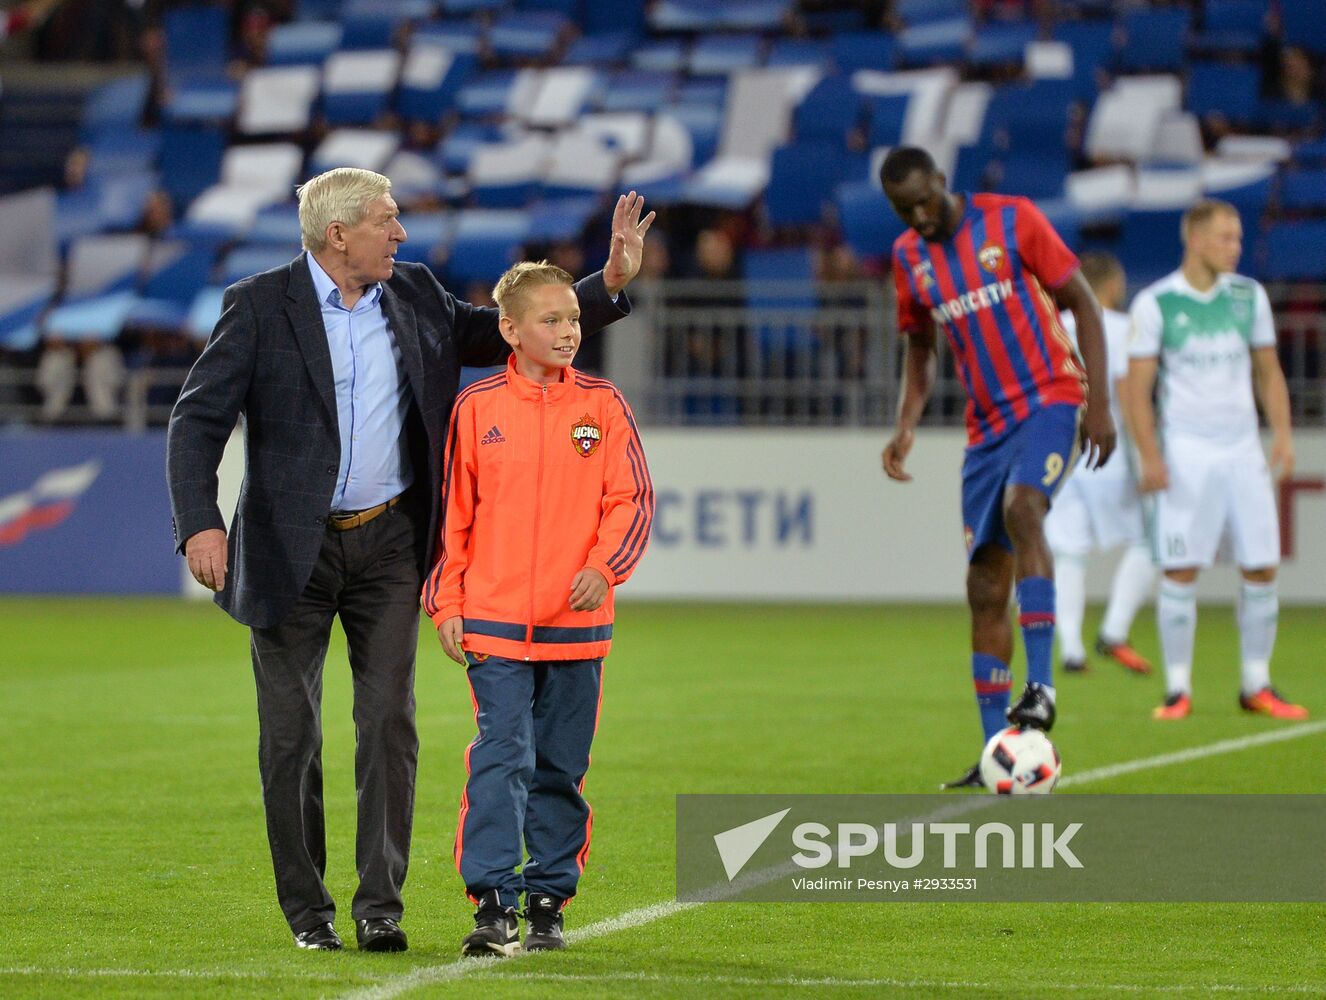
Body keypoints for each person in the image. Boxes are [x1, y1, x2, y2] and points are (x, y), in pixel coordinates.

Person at [166, 167, 652, 952]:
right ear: (339, 235)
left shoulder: (416, 292)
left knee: (389, 723)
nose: (400, 235)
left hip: (391, 543)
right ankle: (309, 913)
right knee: (292, 738)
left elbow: (504, 323)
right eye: (386, 222)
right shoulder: (258, 306)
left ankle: (379, 907)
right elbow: (197, 422)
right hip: (290, 549)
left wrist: (609, 283)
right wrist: (200, 524)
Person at [422, 261, 654, 957]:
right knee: (503, 754)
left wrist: (601, 566)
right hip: (492, 621)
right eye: (551, 320)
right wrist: (447, 601)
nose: (567, 331)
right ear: (510, 330)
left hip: (577, 624)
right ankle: (492, 902)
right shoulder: (476, 408)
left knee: (559, 765)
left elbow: (632, 501)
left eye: (574, 319)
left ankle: (548, 899)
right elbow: (452, 519)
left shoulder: (604, 406)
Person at [877, 146, 1116, 789]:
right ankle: (997, 753)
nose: (921, 216)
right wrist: (906, 424)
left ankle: (1041, 688)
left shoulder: (1012, 220)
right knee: (985, 585)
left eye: (926, 200)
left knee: (1024, 508)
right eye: (906, 210)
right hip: (986, 429)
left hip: (1051, 397)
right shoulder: (909, 258)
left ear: (943, 182)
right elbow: (921, 346)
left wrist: (1099, 404)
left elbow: (1084, 304)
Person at [1124, 199, 1306, 721]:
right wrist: (1151, 455)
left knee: (1262, 566)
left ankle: (1256, 683)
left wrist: (1283, 435)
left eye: (1238, 238)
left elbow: (1268, 372)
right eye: (1226, 238)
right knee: (1181, 568)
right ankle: (1177, 689)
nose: (1236, 247)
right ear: (1196, 240)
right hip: (1187, 452)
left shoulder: (1250, 297)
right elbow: (1138, 391)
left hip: (1243, 449)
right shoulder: (1156, 303)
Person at [1044, 252, 1156, 675]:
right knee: (1155, 540)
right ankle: (1113, 631)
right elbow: (1128, 395)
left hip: (1059, 452)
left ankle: (1071, 649)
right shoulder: (1123, 328)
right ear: (1110, 286)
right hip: (1107, 452)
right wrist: (1148, 455)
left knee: (1069, 553)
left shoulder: (1052, 328)